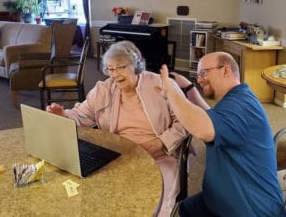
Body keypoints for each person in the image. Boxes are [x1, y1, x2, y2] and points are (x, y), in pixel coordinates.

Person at [46, 40, 192, 216]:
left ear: (136, 64)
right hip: (117, 154)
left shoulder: (161, 85)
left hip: (159, 155)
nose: (114, 75)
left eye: (120, 67)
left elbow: (186, 121)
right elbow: (82, 115)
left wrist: (159, 143)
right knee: (99, 197)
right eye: (110, 69)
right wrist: (64, 115)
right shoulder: (104, 89)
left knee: (155, 203)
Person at [159, 52, 286, 216]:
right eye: (198, 75)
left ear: (226, 70)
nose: (200, 79)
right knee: (186, 208)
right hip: (220, 200)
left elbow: (203, 129)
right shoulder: (237, 99)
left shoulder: (239, 107)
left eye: (204, 73)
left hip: (250, 210)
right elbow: (213, 119)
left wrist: (171, 92)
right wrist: (190, 90)